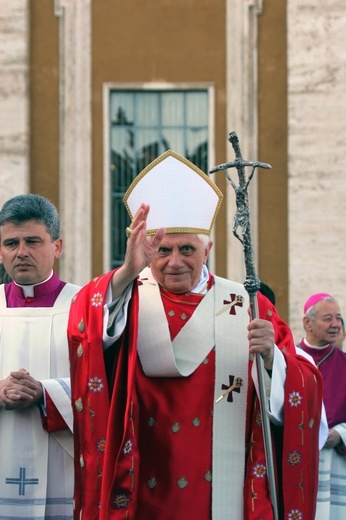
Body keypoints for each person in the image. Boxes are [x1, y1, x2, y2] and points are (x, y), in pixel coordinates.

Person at [68, 150, 324, 519]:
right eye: (162, 250)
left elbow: (305, 383)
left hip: (223, 488)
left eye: (187, 249)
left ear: (208, 249)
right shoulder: (127, 297)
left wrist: (273, 360)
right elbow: (86, 335)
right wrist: (127, 270)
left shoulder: (247, 303)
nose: (174, 261)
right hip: (141, 477)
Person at [0, 194, 80, 519]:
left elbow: (106, 385)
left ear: (57, 246)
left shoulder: (85, 306)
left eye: (33, 241)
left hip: (64, 472)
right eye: (11, 243)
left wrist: (46, 393)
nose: (21, 252)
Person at [297, 293, 346, 519]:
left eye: (338, 318)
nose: (336, 324)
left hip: (335, 463)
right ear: (307, 323)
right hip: (297, 461)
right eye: (328, 318)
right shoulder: (289, 360)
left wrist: (340, 434)